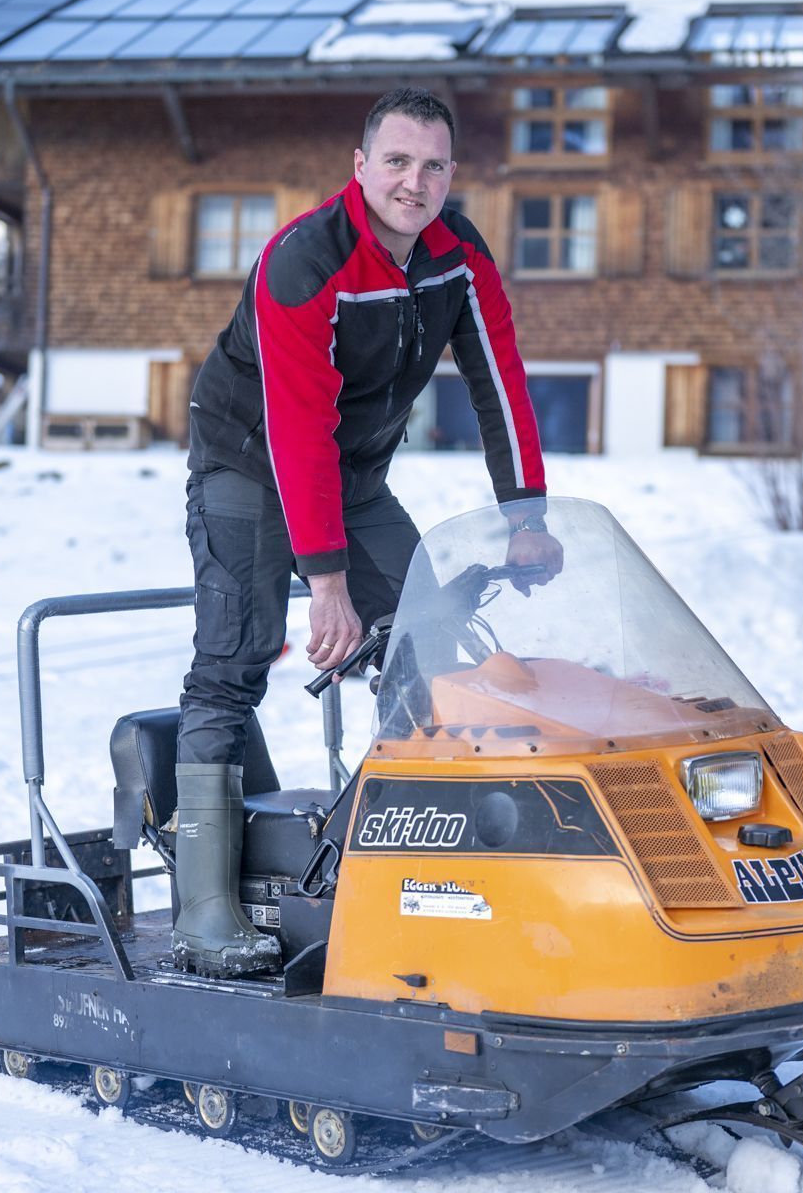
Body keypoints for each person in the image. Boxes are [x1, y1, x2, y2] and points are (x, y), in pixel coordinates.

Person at [171, 87, 563, 977]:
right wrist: (328, 584)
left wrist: (527, 517)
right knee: (233, 658)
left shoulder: (458, 256)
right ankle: (204, 909)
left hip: (349, 475)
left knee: (430, 634)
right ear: (360, 165)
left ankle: (408, 865)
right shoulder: (304, 262)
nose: (414, 182)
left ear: (451, 174)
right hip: (247, 461)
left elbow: (498, 381)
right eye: (396, 161)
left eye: (433, 166)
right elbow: (297, 427)